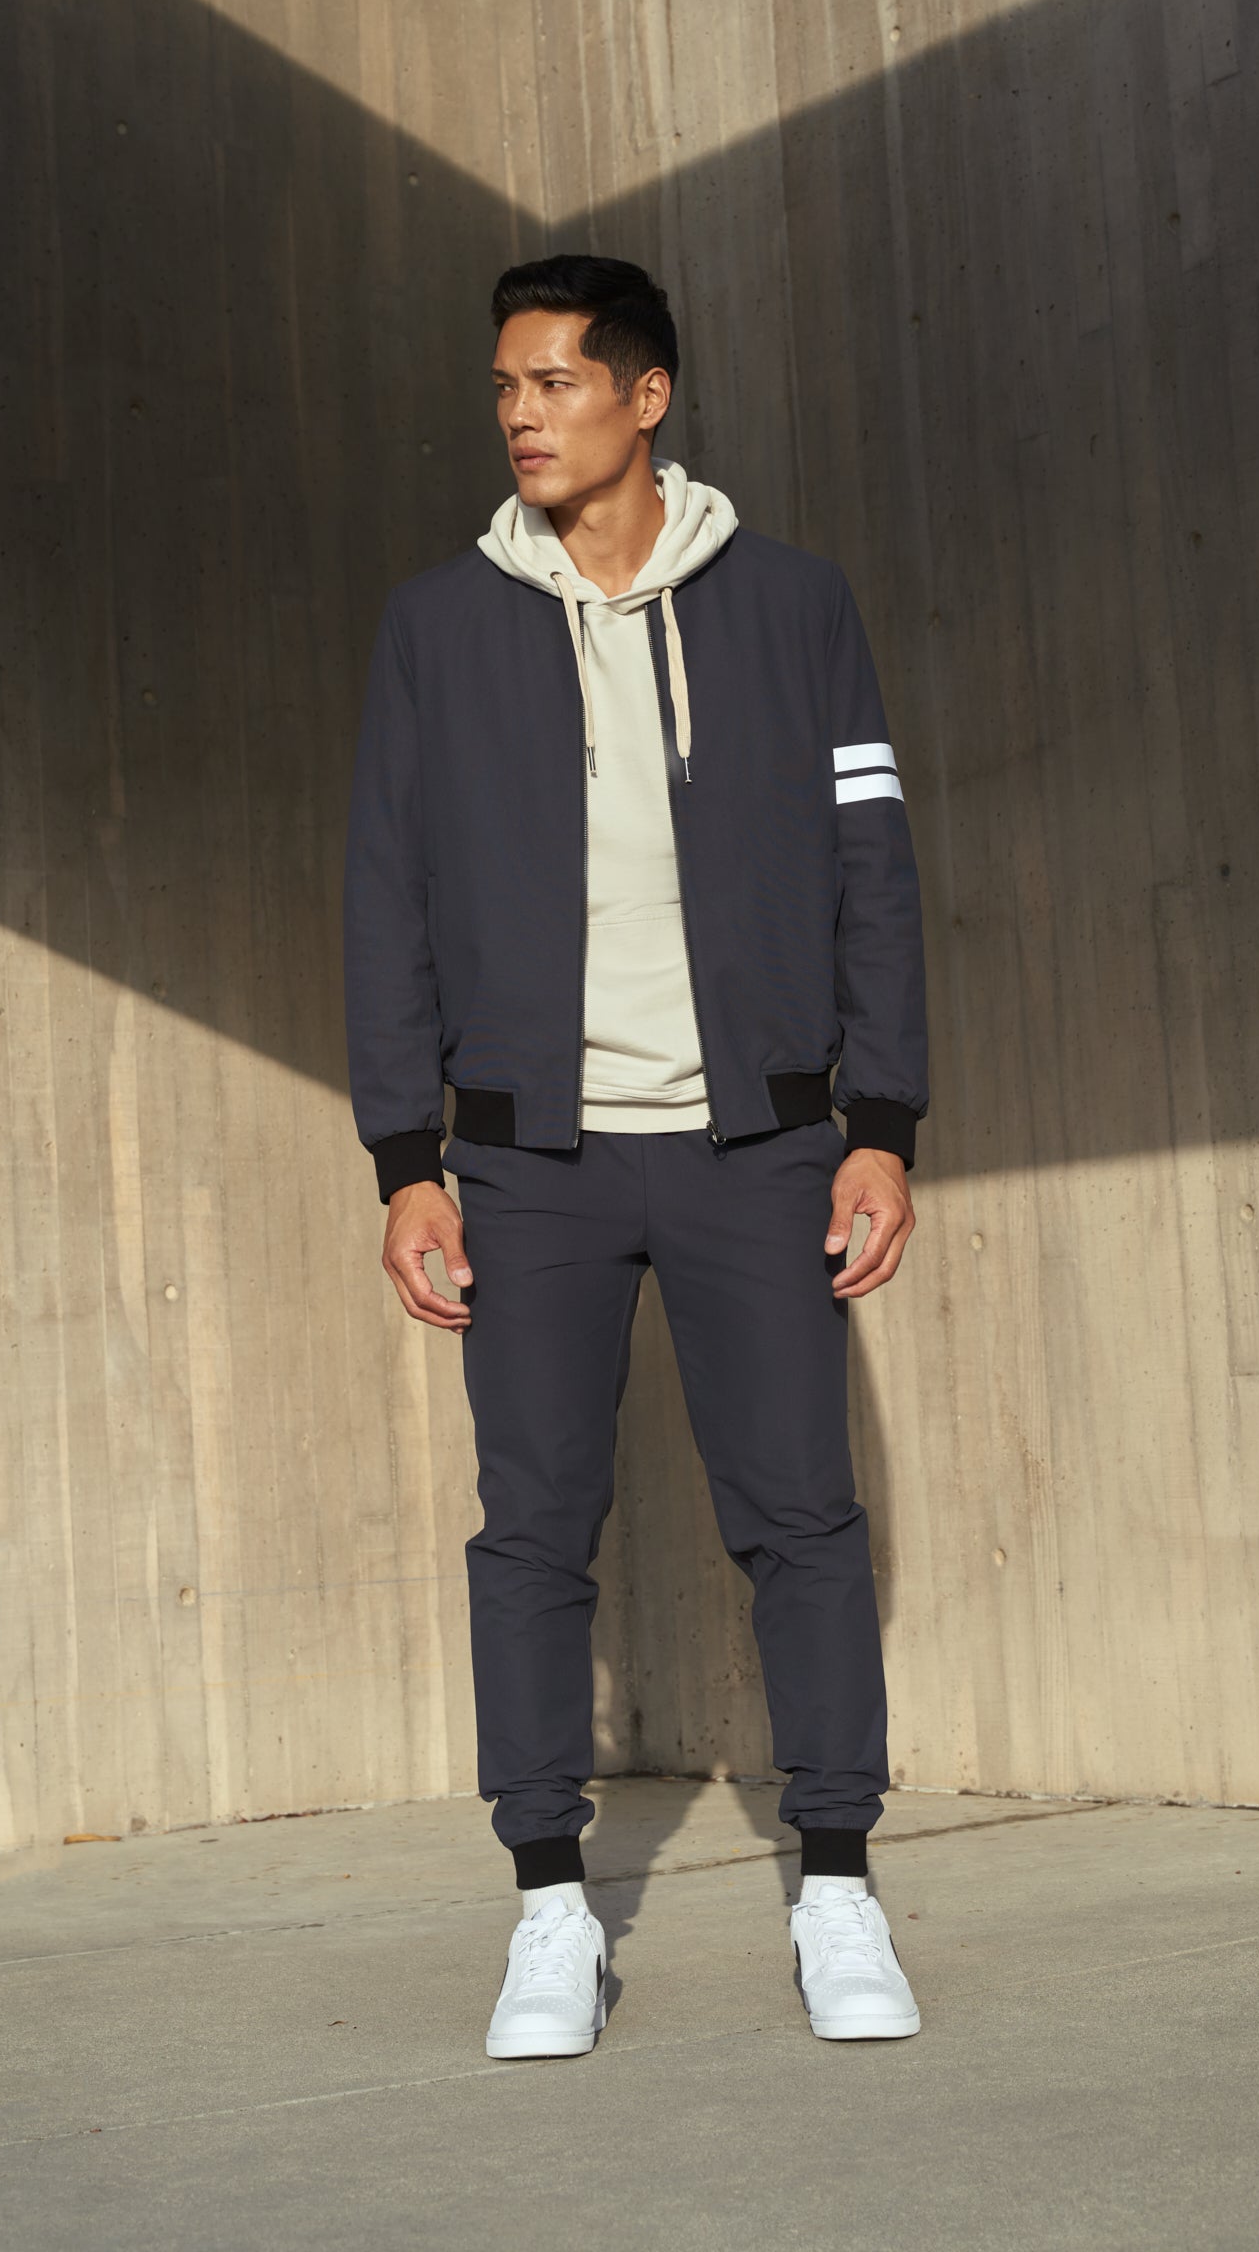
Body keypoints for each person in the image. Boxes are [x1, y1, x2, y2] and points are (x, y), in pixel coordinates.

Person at [343, 254, 927, 2058]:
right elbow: (386, 894)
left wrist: (882, 1126)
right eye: (503, 389)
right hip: (534, 1164)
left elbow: (874, 869)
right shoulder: (439, 627)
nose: (520, 415)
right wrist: (407, 1156)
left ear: (645, 396)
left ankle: (838, 1888)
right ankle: (548, 1910)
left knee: (803, 1516)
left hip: (761, 1145)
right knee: (531, 1529)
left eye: (553, 383)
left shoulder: (796, 606)